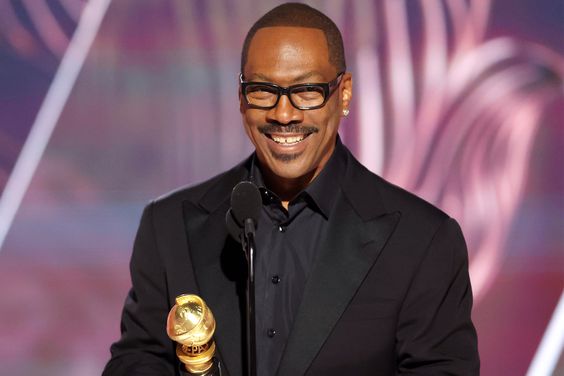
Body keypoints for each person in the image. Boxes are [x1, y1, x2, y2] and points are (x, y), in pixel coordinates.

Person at [103, 3, 479, 375]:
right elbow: (136, 363)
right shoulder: (169, 226)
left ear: (344, 93)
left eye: (307, 91)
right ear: (240, 97)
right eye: (263, 91)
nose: (284, 115)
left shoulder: (422, 241)